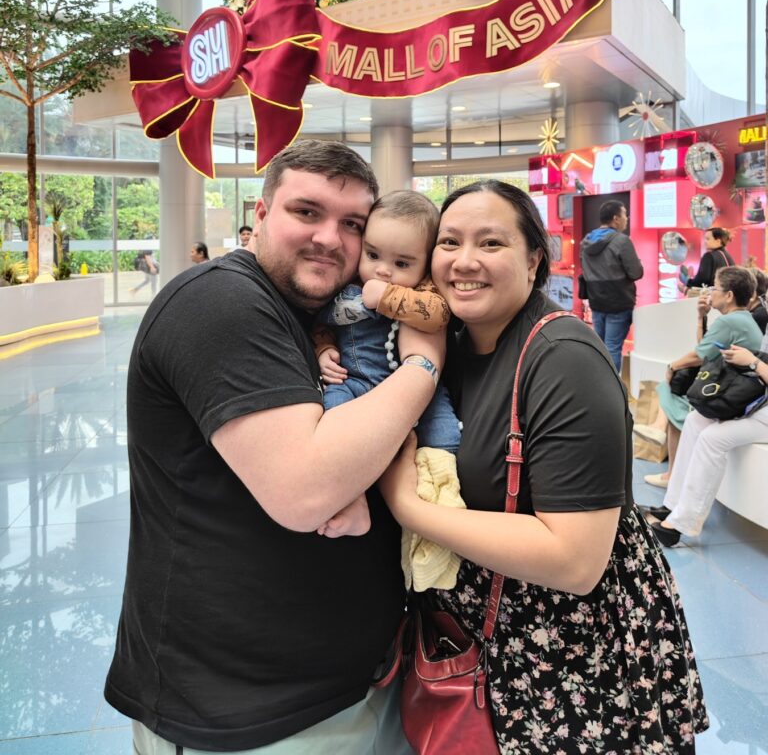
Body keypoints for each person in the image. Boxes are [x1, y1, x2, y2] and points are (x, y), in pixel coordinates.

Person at [105, 140, 444, 754]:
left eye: (352, 225)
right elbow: (304, 490)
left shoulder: (316, 314)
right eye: (306, 212)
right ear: (260, 215)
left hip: (356, 685)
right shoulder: (219, 303)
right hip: (248, 715)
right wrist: (423, 364)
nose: (329, 239)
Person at [379, 180, 708, 751]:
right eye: (449, 242)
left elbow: (574, 560)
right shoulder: (448, 344)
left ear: (534, 260)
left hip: (569, 653)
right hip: (484, 640)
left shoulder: (562, 359)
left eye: (491, 243)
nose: (465, 261)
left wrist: (408, 506)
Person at [314, 191, 461, 574]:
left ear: (426, 266)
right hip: (354, 383)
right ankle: (352, 497)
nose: (382, 270)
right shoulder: (343, 288)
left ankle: (443, 495)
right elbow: (320, 323)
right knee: (333, 416)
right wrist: (324, 349)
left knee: (443, 430)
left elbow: (437, 315)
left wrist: (388, 298)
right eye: (373, 255)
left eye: (401, 263)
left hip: (419, 392)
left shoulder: (423, 294)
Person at [636, 266, 764, 488]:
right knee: (676, 386)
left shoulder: (729, 321)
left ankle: (667, 456)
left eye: (715, 287)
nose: (711, 292)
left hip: (725, 393)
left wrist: (672, 366)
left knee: (673, 386)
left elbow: (700, 355)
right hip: (730, 388)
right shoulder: (742, 319)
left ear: (729, 295)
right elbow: (704, 348)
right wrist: (700, 317)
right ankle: (665, 450)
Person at [646, 334, 768, 547]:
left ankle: (681, 523)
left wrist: (753, 362)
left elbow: (759, 364)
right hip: (759, 403)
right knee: (695, 420)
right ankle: (673, 504)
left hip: (763, 412)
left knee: (713, 438)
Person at [579, 199, 644, 373]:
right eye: (625, 215)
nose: (626, 219)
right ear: (616, 218)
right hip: (619, 301)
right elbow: (636, 272)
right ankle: (612, 385)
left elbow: (585, 269)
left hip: (596, 301)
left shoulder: (586, 241)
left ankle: (597, 381)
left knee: (599, 345)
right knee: (613, 347)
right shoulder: (622, 241)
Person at [685, 227, 734, 291]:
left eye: (708, 239)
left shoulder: (709, 256)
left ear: (718, 241)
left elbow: (702, 279)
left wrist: (688, 283)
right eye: (705, 239)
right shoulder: (728, 256)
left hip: (712, 294)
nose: (705, 242)